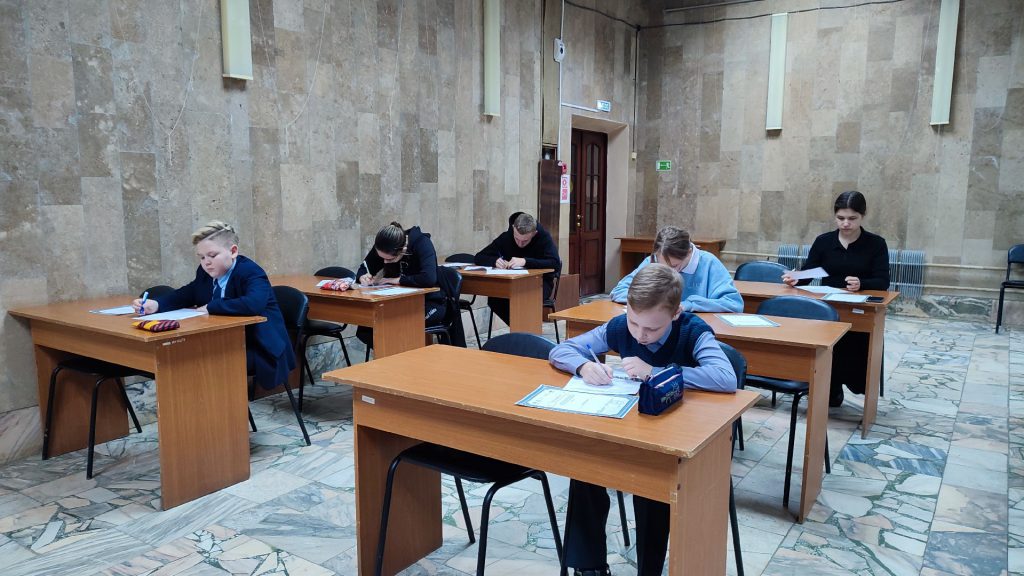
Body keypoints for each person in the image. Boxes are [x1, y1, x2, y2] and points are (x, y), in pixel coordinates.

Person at [549, 263, 737, 576]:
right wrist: (584, 366)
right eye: (635, 323)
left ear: (675, 314)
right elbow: (563, 350)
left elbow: (725, 377)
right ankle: (589, 568)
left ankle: (648, 570)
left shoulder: (693, 330)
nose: (640, 335)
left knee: (651, 484)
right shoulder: (621, 326)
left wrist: (656, 372)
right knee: (584, 466)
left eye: (651, 329)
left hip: (676, 441)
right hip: (629, 428)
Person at [132, 221, 294, 390]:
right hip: (221, 343)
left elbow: (253, 304)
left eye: (212, 255)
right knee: (182, 357)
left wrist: (211, 307)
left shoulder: (251, 272)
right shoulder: (205, 272)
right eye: (202, 257)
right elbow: (189, 292)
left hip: (259, 347)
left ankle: (215, 405)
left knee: (199, 362)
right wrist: (157, 304)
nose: (206, 262)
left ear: (233, 251)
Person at [782, 190, 889, 407]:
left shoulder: (876, 244)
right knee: (824, 346)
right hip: (828, 308)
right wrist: (796, 279)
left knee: (854, 348)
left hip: (860, 310)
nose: (845, 224)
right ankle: (829, 389)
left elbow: (883, 280)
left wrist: (862, 283)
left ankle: (854, 386)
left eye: (852, 218)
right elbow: (810, 272)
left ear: (863, 216)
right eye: (840, 218)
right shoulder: (824, 241)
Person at [353, 222, 466, 349]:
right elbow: (364, 267)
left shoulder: (422, 243)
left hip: (430, 303)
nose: (384, 262)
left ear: (403, 250)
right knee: (367, 327)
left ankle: (402, 357)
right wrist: (362, 276)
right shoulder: (384, 245)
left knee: (393, 325)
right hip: (398, 303)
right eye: (382, 258)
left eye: (389, 260)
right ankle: (391, 356)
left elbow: (429, 278)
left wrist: (397, 280)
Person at [610, 226, 742, 313]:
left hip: (694, 328)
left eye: (674, 266)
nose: (668, 272)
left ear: (689, 253)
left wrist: (688, 305)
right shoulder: (653, 261)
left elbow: (733, 303)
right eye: (662, 266)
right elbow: (619, 291)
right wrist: (652, 301)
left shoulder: (709, 263)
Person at [473, 212, 562, 327]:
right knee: (495, 298)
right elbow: (479, 256)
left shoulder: (543, 237)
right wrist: (494, 261)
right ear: (513, 228)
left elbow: (555, 263)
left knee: (525, 298)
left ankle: (524, 330)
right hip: (513, 282)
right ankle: (519, 328)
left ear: (534, 233)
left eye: (525, 241)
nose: (520, 244)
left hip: (540, 283)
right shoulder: (507, 236)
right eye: (516, 239)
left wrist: (525, 261)